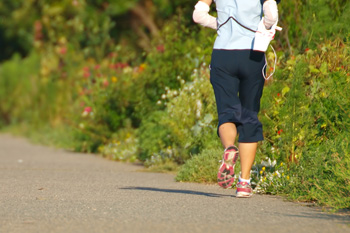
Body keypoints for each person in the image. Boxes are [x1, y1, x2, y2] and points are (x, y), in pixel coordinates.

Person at [192, 0, 280, 197]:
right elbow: (272, 15)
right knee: (249, 115)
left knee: (227, 113)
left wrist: (221, 23)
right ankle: (244, 183)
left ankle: (229, 148)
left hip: (222, 54)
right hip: (252, 54)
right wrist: (263, 27)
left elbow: (198, 15)